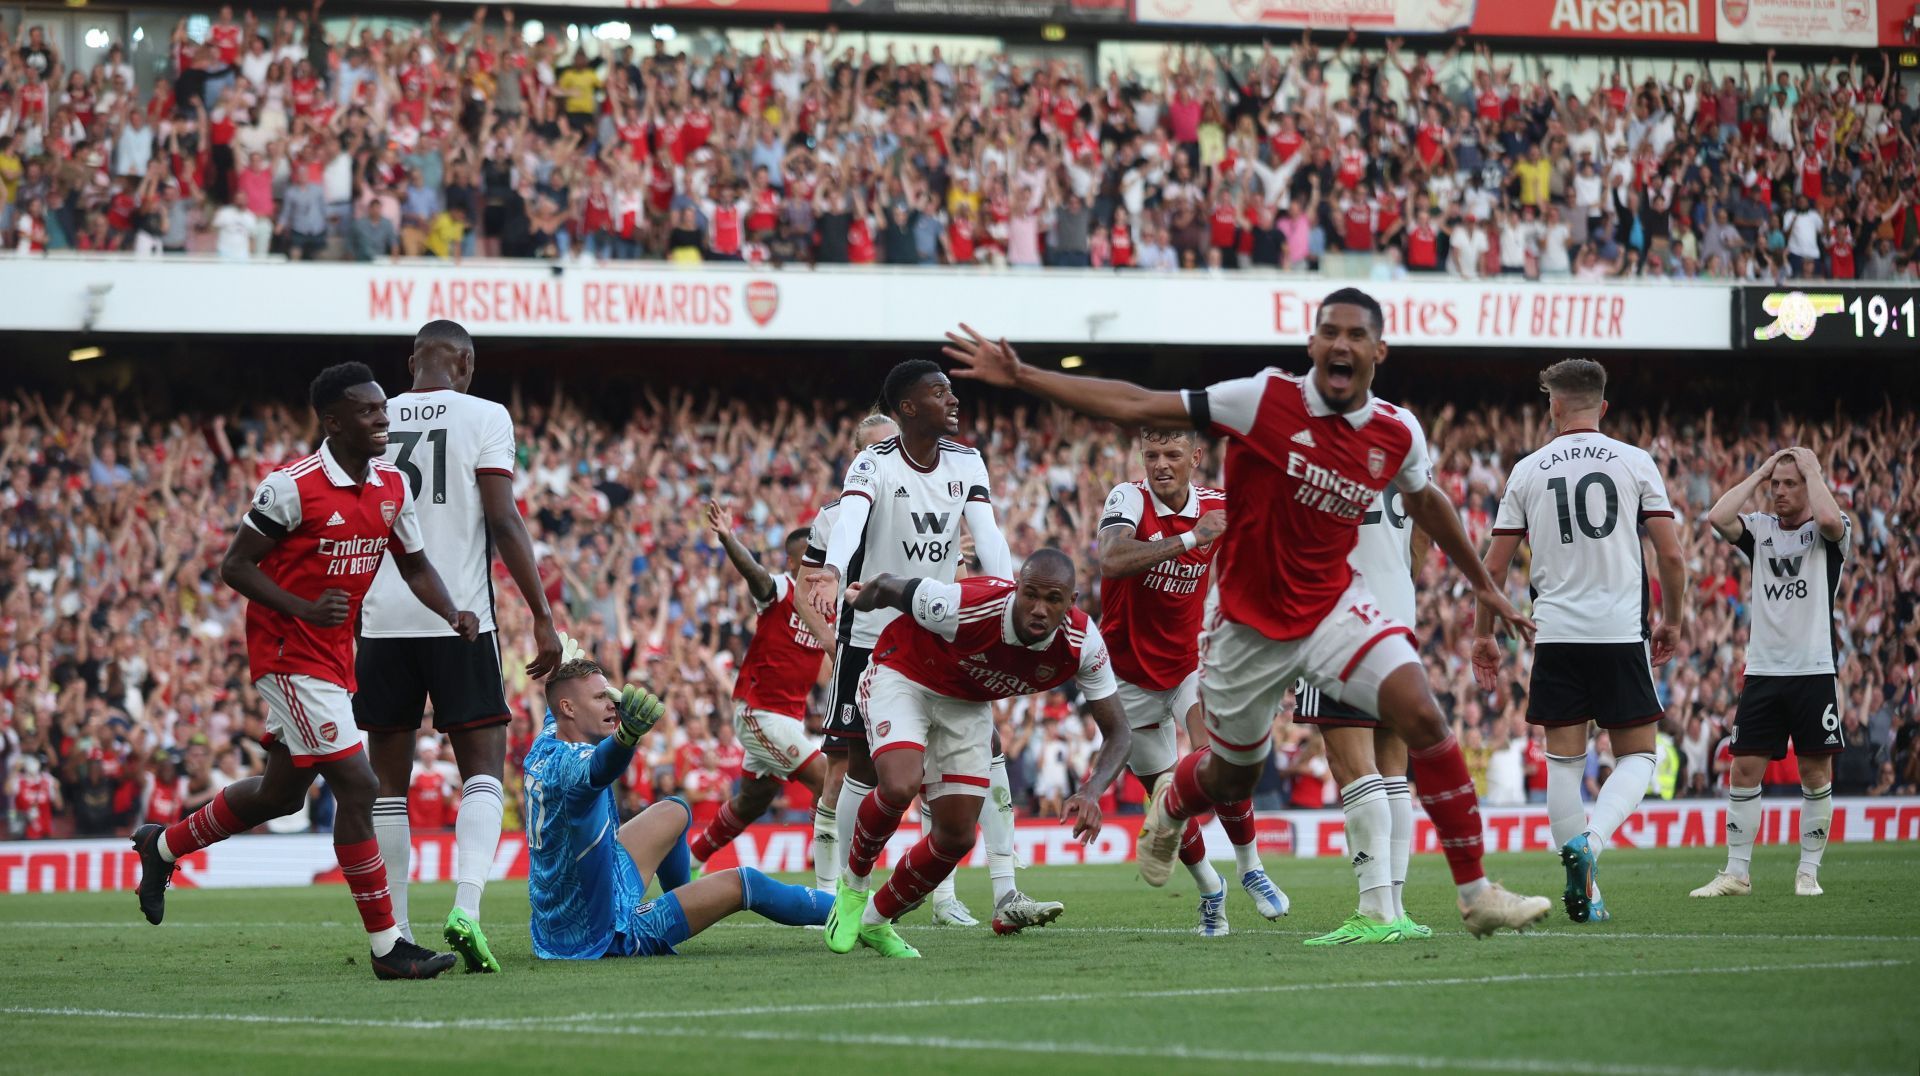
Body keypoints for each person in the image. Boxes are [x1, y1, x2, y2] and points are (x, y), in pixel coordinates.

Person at [941, 288, 1552, 937]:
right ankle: (1173, 804)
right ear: (1312, 343)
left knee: (1424, 712)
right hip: (1249, 627)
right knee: (1233, 773)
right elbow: (1140, 404)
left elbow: (1426, 502)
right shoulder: (1263, 398)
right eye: (1329, 331)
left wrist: (1484, 585)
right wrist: (1025, 375)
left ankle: (1476, 891)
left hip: (1336, 606)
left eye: (1355, 334)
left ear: (1379, 350)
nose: (1340, 343)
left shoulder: (1395, 431)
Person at [130, 362, 476, 979]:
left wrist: (453, 612)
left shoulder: (393, 484)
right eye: (368, 412)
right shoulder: (291, 486)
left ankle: (163, 846)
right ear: (333, 421)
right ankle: (388, 949)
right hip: (288, 653)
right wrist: (305, 608)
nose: (382, 419)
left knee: (279, 793)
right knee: (360, 785)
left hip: (334, 656)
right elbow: (236, 566)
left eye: (382, 408)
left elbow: (416, 565)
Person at [805, 361, 1059, 935]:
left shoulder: (966, 460)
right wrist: (838, 576)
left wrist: (1007, 608)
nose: (953, 398)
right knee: (865, 771)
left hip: (941, 630)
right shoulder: (872, 463)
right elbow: (848, 527)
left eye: (951, 388)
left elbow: (988, 535)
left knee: (983, 751)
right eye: (939, 391)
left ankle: (1000, 888)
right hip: (870, 637)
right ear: (908, 408)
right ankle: (853, 892)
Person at [355, 321, 563, 974]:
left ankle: (397, 934)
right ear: (466, 364)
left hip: (381, 620)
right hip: (459, 617)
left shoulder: (369, 415)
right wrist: (542, 614)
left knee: (386, 785)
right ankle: (467, 910)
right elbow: (502, 518)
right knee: (481, 768)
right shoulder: (485, 415)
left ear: (412, 361)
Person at [824, 552, 1131, 958]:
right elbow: (887, 586)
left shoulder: (1083, 644)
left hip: (966, 703)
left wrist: (1092, 790)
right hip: (905, 674)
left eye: (1053, 599)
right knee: (900, 783)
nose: (1039, 609)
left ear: (1070, 601)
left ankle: (877, 922)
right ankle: (853, 888)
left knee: (957, 836)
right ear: (1017, 588)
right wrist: (859, 599)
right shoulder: (964, 605)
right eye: (1030, 595)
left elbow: (1120, 731)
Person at [1475, 359, 1687, 925]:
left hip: (1558, 634)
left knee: (1564, 766)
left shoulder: (1527, 469)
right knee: (1641, 753)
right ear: (1604, 407)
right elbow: (1669, 554)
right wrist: (1673, 620)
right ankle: (1591, 844)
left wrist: (1483, 633)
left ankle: (1588, 892)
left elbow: (1491, 567)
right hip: (1620, 632)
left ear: (1554, 406)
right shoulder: (1636, 462)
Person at [1096, 428, 1288, 937]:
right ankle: (1210, 888)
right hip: (1126, 677)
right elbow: (1111, 560)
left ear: (1195, 458)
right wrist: (1189, 538)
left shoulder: (1219, 503)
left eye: (1173, 454)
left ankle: (1252, 869)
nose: (1161, 464)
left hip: (1187, 666)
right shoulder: (1128, 499)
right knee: (1165, 800)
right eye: (1152, 454)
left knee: (1218, 761)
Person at [525, 654, 832, 959]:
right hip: (599, 933)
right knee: (746, 883)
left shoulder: (549, 738)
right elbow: (602, 766)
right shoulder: (570, 766)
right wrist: (627, 736)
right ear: (568, 708)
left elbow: (566, 712)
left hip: (568, 912)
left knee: (674, 810)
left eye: (609, 695)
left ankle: (683, 902)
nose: (613, 705)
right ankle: (857, 912)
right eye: (600, 698)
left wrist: (563, 663)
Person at [1692, 447, 1850, 899]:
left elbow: (1828, 520)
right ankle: (1736, 873)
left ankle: (1808, 873)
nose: (1779, 492)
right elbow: (1717, 516)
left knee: (1815, 773)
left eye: (1789, 484)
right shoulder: (1759, 530)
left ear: (1809, 485)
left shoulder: (1830, 532)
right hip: (1762, 670)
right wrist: (1761, 472)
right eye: (1775, 485)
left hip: (1813, 669)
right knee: (1744, 770)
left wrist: (1814, 470)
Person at [1293, 480, 1436, 944]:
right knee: (1393, 767)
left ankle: (1375, 910)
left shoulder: (1314, 442)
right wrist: (1397, 578)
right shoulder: (1401, 436)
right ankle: (1394, 909)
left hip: (1337, 618)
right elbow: (1423, 531)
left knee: (1352, 764)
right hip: (1397, 616)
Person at [687, 504, 833, 869]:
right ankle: (827, 865)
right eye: (809, 557)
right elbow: (754, 574)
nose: (816, 565)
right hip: (759, 713)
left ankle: (693, 857)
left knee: (755, 798)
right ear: (792, 561)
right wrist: (728, 538)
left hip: (788, 719)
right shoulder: (780, 590)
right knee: (829, 779)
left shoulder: (825, 606)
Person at [799, 412, 898, 895]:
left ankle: (947, 899)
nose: (888, 455)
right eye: (877, 448)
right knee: (841, 770)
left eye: (893, 445)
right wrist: (833, 646)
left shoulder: (929, 503)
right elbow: (804, 591)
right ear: (860, 456)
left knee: (926, 769)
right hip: (858, 648)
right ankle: (826, 894)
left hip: (912, 651)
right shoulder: (834, 517)